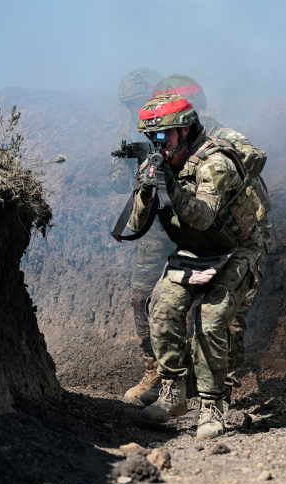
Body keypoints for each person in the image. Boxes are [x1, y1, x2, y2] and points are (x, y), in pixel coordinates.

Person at [128, 93, 266, 438]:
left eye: (165, 136)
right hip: (194, 251)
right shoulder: (158, 162)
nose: (158, 144)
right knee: (161, 308)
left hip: (236, 250)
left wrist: (170, 185)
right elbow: (134, 223)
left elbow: (203, 217)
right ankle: (173, 394)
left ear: (186, 131)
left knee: (211, 321)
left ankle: (212, 407)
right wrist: (146, 188)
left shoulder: (215, 163)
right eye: (152, 137)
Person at [148, 75, 274, 400]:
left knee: (227, 317)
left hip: (243, 231)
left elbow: (255, 156)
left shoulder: (217, 136)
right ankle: (182, 385)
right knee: (171, 307)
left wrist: (218, 168)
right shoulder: (167, 145)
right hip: (202, 232)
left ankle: (222, 393)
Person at [108, 68, 175, 404]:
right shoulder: (130, 129)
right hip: (152, 228)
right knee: (142, 298)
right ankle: (154, 370)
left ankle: (194, 376)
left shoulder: (178, 121)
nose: (135, 109)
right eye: (129, 103)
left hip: (188, 221)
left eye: (139, 101)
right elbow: (119, 182)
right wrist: (133, 166)